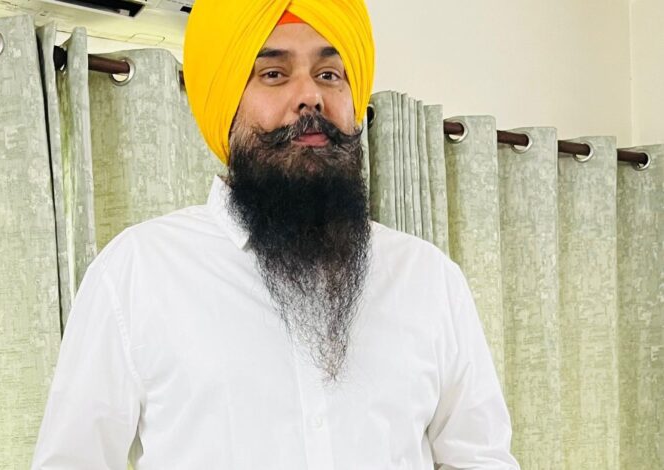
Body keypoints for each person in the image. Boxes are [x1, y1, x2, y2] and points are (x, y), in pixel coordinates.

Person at [31, 0, 520, 468]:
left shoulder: (429, 279)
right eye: (273, 74)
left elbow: (481, 460)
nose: (310, 96)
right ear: (226, 102)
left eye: (329, 74)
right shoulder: (137, 273)